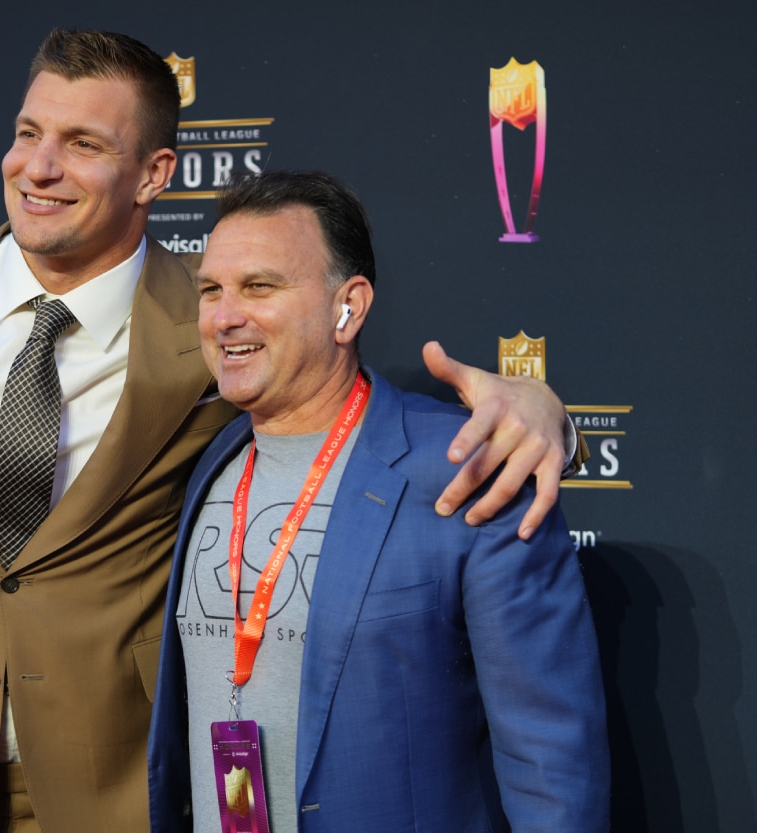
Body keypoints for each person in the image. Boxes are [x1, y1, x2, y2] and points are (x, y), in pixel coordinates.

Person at [0, 29, 581, 833]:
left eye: (84, 145)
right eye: (27, 132)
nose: (39, 167)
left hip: (123, 794)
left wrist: (545, 415)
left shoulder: (214, 322)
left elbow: (337, 398)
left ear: (156, 174)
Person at [147, 170, 609, 833]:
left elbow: (552, 757)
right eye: (212, 290)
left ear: (349, 307)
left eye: (260, 286)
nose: (224, 317)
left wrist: (551, 418)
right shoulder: (210, 459)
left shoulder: (464, 465)